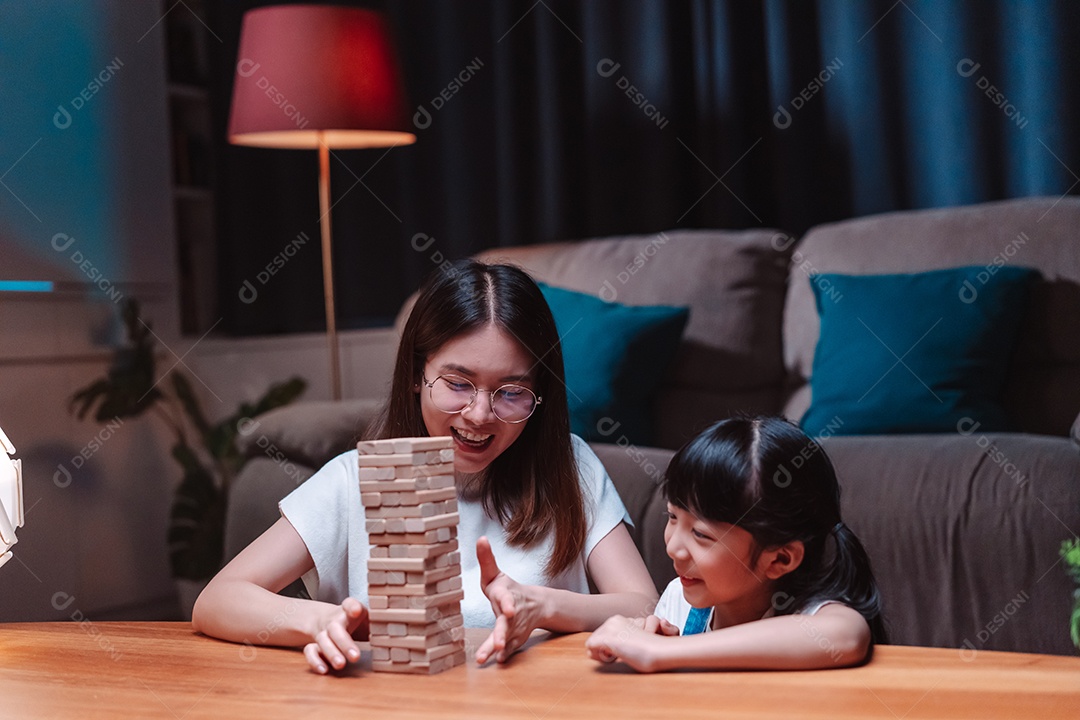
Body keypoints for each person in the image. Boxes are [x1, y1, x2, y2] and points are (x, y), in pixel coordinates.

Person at [193, 260, 657, 673]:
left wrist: (545, 606)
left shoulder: (571, 465)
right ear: (418, 375)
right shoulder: (353, 479)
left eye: (511, 392)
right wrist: (319, 620)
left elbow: (643, 604)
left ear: (540, 395)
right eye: (458, 383)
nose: (479, 414)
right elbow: (219, 598)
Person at [585, 415, 887, 672]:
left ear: (779, 560)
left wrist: (661, 652)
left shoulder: (810, 615)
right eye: (673, 517)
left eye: (701, 534)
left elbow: (847, 635)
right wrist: (650, 638)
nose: (673, 547)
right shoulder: (681, 600)